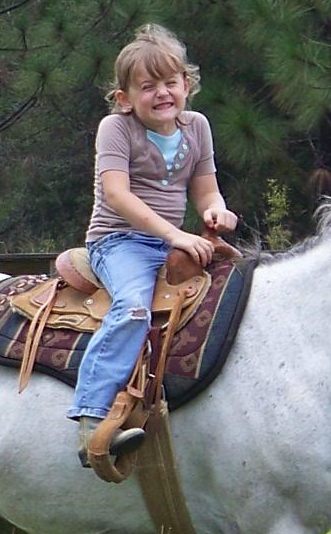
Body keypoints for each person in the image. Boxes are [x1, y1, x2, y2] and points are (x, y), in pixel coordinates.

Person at [69, 24, 237, 461]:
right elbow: (116, 194)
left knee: (234, 299)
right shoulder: (116, 129)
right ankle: (92, 420)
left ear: (187, 85)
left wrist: (215, 211)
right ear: (125, 98)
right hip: (119, 241)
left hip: (171, 242)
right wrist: (175, 233)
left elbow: (204, 187)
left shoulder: (197, 127)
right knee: (134, 307)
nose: (162, 93)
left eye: (170, 83)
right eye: (148, 87)